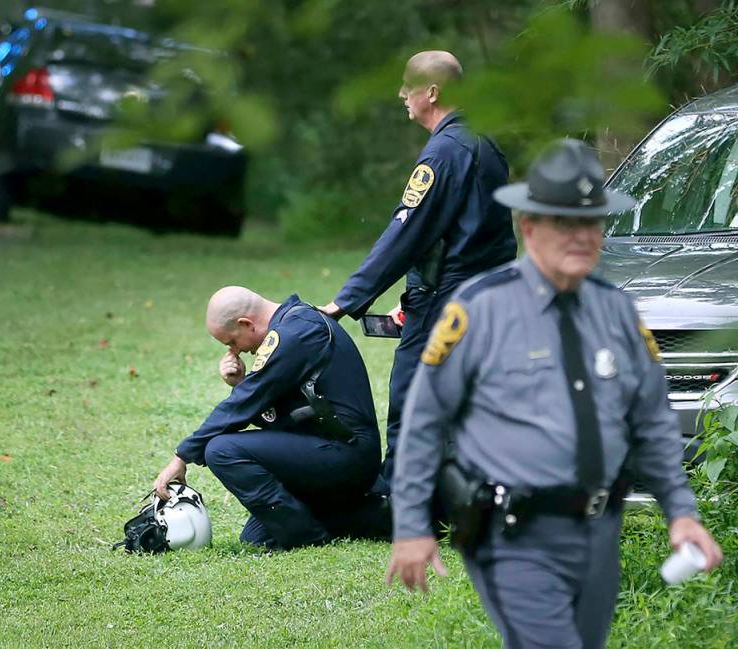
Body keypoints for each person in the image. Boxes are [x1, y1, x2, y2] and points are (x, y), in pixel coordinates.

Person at [386, 140, 723, 648]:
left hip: (597, 532)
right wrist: (411, 522)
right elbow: (424, 421)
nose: (582, 236)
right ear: (528, 227)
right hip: (512, 534)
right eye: (564, 223)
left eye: (592, 222)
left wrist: (681, 512)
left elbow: (651, 424)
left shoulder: (618, 313)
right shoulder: (479, 310)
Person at [321, 51, 517, 487]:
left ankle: (401, 501)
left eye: (408, 86)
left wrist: (345, 301)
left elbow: (406, 233)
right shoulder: (486, 142)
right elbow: (486, 233)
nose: (401, 95)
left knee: (412, 399)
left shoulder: (444, 152)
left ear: (432, 92)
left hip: (446, 301)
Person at [153, 286, 389, 549]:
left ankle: (308, 539)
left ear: (246, 323)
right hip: (329, 451)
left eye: (231, 342)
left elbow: (242, 405)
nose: (236, 351)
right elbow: (284, 418)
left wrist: (182, 457)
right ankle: (371, 514)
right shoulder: (294, 325)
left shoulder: (296, 333)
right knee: (257, 537)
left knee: (222, 450)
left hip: (348, 456)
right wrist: (241, 383)